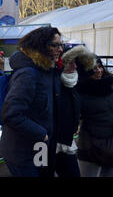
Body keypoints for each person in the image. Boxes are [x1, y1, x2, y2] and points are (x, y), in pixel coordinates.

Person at [0, 27, 63, 177]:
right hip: (21, 151)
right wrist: (42, 134)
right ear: (40, 46)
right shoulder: (28, 73)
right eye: (55, 45)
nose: (60, 49)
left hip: (40, 147)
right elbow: (11, 114)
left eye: (61, 45)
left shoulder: (46, 70)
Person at [53, 45, 94, 177]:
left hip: (67, 143)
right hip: (43, 144)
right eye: (70, 62)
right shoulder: (50, 83)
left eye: (76, 63)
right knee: (42, 173)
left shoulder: (76, 83)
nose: (75, 66)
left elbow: (91, 72)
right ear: (61, 63)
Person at [76, 56, 113, 177]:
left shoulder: (110, 84)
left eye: (99, 66)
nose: (98, 71)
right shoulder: (79, 91)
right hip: (90, 145)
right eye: (93, 68)